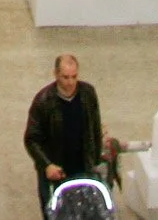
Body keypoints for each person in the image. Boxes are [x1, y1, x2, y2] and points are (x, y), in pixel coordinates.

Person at [24, 55, 115, 218]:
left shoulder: (88, 93)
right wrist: (47, 165)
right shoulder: (43, 101)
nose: (70, 82)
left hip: (83, 168)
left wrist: (96, 156)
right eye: (65, 77)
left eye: (74, 77)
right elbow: (31, 139)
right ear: (56, 74)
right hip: (56, 172)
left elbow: (94, 126)